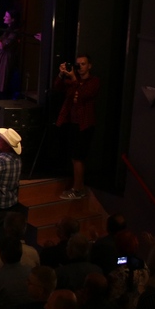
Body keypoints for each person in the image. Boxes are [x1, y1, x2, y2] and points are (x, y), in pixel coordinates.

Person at [55, 54, 100, 200]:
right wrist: (61, 74)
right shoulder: (74, 80)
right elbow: (57, 87)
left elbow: (83, 95)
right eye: (78, 64)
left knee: (78, 157)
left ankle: (78, 189)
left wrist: (74, 79)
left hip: (84, 124)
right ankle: (78, 187)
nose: (80, 66)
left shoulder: (94, 81)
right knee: (74, 158)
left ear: (89, 66)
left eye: (83, 64)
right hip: (72, 123)